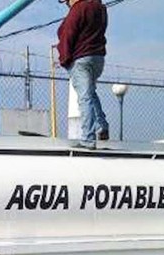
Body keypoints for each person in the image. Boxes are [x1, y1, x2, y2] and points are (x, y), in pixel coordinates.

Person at [58, 0, 109, 148]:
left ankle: (88, 139)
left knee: (84, 98)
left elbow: (68, 34)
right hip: (98, 58)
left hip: (81, 59)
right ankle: (102, 125)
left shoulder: (78, 9)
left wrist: (64, 59)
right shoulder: (101, 9)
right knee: (90, 93)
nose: (67, 4)